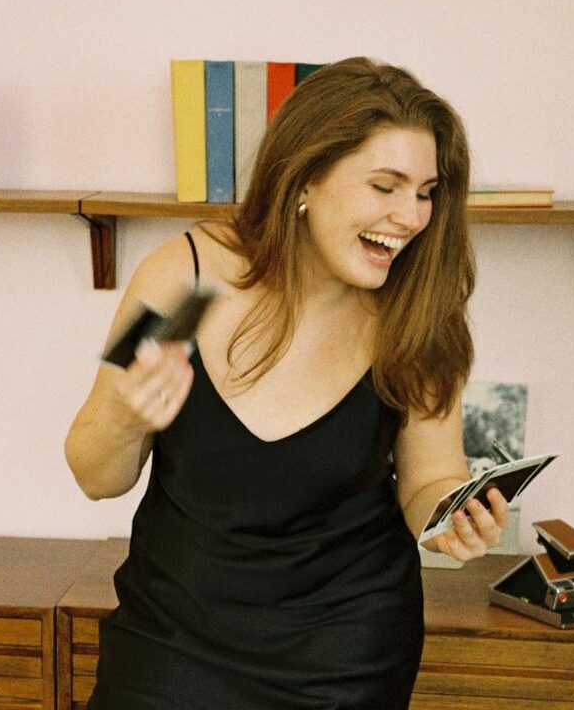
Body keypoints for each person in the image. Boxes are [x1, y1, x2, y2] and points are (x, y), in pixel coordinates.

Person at [64, 56, 511, 710]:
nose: (411, 216)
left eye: (425, 192)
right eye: (385, 186)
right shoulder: (182, 279)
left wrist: (452, 517)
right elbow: (94, 474)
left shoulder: (418, 313)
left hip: (344, 652)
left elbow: (427, 480)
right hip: (172, 645)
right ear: (305, 179)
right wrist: (128, 419)